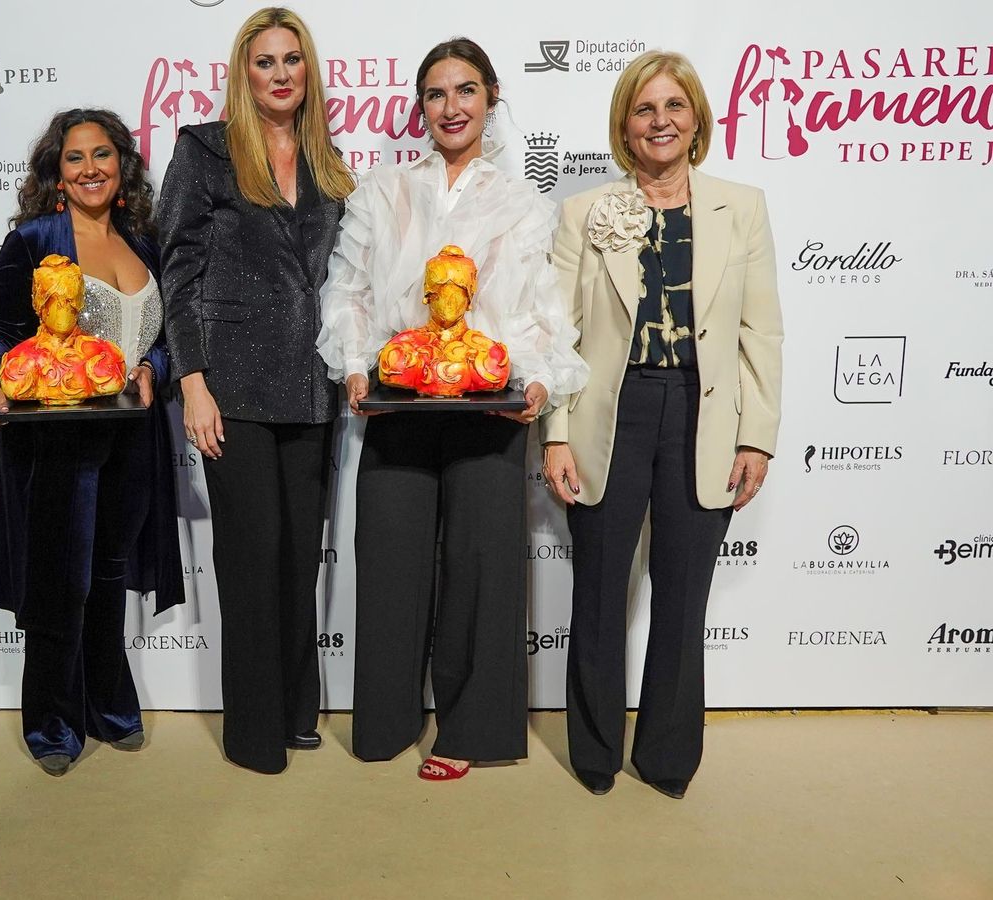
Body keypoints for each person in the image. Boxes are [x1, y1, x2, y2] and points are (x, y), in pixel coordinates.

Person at [317, 38, 588, 782]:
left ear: (491, 98)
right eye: (436, 94)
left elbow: (537, 312)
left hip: (488, 408)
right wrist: (351, 367)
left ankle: (474, 728)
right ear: (421, 108)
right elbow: (347, 292)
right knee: (392, 566)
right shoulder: (381, 191)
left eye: (466, 91)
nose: (452, 107)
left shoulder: (525, 203)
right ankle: (385, 720)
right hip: (397, 404)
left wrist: (534, 382)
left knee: (483, 569)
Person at [541, 49, 783, 799]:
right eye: (645, 109)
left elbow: (760, 332)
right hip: (609, 414)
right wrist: (553, 431)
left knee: (683, 595)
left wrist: (757, 434)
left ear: (697, 119)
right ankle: (595, 751)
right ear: (625, 125)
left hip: (704, 417)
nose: (661, 121)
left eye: (674, 107)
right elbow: (557, 334)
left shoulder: (740, 206)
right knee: (600, 589)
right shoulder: (585, 212)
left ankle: (670, 757)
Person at [158, 6, 354, 775]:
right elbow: (177, 270)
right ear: (245, 73)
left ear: (308, 71)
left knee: (299, 555)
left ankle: (298, 709)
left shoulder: (331, 165)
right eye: (264, 61)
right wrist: (193, 384)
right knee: (249, 555)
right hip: (231, 387)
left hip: (312, 389)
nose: (279, 74)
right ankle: (253, 731)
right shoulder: (205, 150)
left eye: (291, 60)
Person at [0, 109, 184, 777]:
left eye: (102, 154)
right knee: (60, 583)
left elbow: (166, 340)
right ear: (56, 174)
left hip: (133, 438)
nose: (90, 167)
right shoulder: (34, 240)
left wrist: (154, 370)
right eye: (74, 157)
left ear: (122, 166)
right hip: (55, 440)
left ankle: (108, 704)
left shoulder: (144, 244)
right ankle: (52, 722)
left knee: (112, 574)